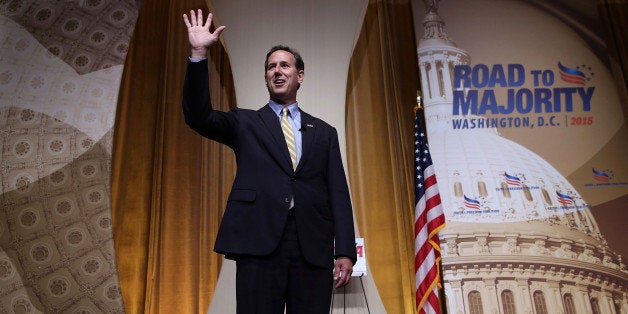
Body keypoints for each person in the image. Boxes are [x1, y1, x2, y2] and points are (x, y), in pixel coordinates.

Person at [182, 9, 357, 314]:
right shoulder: (245, 122)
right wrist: (198, 54)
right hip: (258, 242)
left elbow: (338, 193)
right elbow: (198, 117)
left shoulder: (325, 133)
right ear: (266, 76)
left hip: (312, 246)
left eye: (284, 65)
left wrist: (345, 250)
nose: (277, 71)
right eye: (271, 67)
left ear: (299, 76)